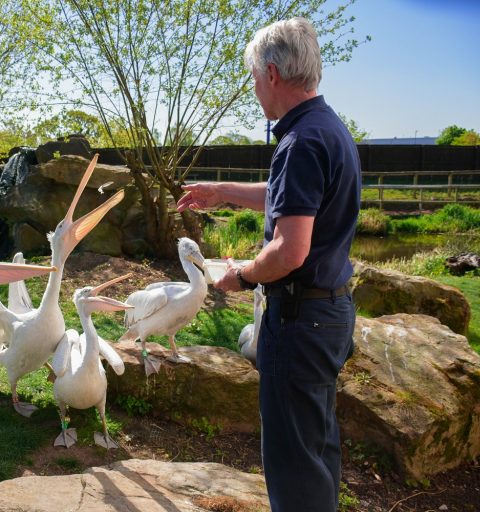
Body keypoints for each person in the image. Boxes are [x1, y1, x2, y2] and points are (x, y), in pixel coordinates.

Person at [176, 17, 361, 512]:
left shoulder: (299, 143)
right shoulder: (328, 130)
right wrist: (220, 192)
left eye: (254, 77)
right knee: (316, 447)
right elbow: (289, 199)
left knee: (293, 464)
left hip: (300, 323)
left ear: (273, 73)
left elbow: (289, 251)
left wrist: (240, 276)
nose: (254, 88)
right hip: (331, 313)